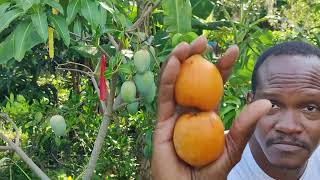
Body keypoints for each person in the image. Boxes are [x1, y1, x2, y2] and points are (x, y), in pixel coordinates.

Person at [151, 36, 320, 180]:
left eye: (310, 108)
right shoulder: (210, 160)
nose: (289, 127)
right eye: (273, 105)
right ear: (250, 102)